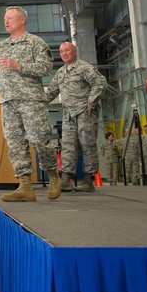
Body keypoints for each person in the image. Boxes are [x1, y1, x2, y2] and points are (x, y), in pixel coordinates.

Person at [0, 7, 60, 202]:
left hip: (31, 100)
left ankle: (53, 176)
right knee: (15, 144)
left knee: (39, 139)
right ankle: (25, 185)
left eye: (10, 18)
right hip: (8, 102)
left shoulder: (35, 43)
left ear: (22, 20)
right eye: (4, 18)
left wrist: (19, 66)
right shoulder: (0, 46)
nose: (6, 21)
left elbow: (46, 68)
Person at [46, 42, 107, 193]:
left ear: (75, 52)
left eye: (67, 50)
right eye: (61, 51)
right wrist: (36, 103)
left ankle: (88, 179)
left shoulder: (84, 68)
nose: (64, 53)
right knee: (67, 145)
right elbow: (51, 92)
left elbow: (100, 83)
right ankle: (66, 179)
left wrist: (91, 102)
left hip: (84, 113)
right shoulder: (61, 72)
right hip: (68, 115)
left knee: (87, 145)